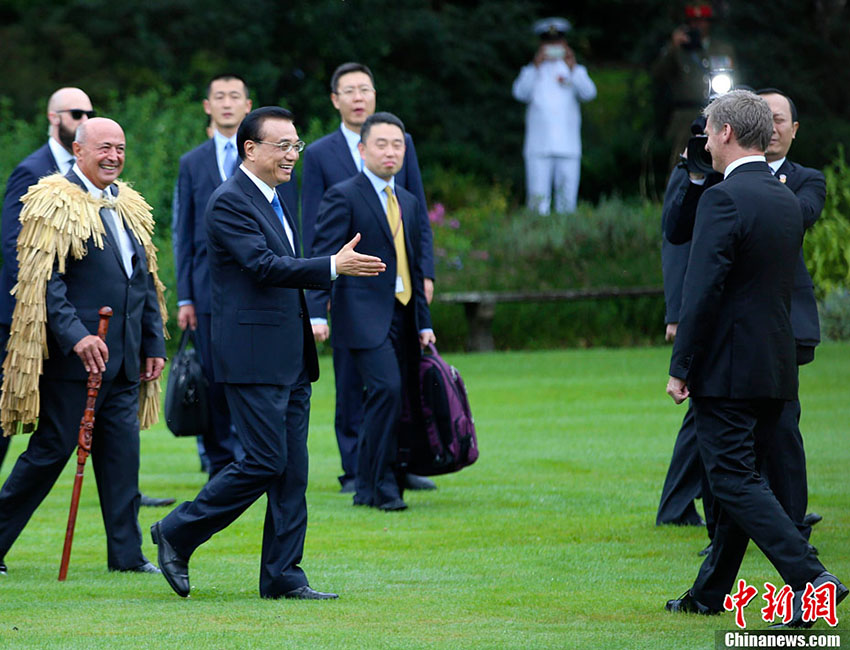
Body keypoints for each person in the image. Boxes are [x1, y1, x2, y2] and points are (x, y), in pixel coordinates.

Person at [151, 106, 385, 599]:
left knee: (292, 471)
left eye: (296, 145)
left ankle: (282, 577)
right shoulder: (228, 201)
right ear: (250, 149)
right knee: (263, 461)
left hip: (291, 357)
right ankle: (178, 530)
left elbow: (284, 267)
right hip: (252, 357)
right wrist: (333, 266)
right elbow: (263, 266)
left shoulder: (278, 196)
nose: (292, 154)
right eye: (282, 145)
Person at [664, 90, 847, 625]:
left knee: (733, 481)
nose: (704, 142)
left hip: (730, 367)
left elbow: (704, 291)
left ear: (724, 134)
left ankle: (813, 579)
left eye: (708, 132)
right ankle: (709, 593)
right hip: (775, 362)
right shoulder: (782, 197)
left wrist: (681, 366)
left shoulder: (725, 199)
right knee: (746, 481)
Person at [0, 118, 168, 576]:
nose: (114, 156)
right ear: (79, 150)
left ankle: (127, 556)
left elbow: (145, 283)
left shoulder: (128, 204)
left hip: (124, 360)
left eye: (121, 148)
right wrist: (77, 337)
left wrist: (152, 343)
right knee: (50, 451)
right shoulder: (52, 200)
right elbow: (43, 285)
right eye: (104, 148)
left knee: (121, 458)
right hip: (75, 362)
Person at [300, 62, 436, 493]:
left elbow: (414, 227)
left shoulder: (403, 168)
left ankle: (390, 469)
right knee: (365, 389)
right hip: (355, 299)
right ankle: (359, 474)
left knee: (398, 391)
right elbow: (317, 234)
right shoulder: (325, 159)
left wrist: (424, 296)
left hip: (402, 300)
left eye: (367, 89)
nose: (360, 97)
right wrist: (314, 305)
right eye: (350, 90)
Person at [0, 87, 94, 473]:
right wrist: (43, 307)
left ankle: (126, 496)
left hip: (71, 314)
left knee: (92, 407)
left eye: (90, 112)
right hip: (24, 317)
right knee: (6, 413)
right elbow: (13, 243)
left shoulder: (89, 172)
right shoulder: (31, 169)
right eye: (76, 113)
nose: (84, 120)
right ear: (54, 117)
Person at [512, 17, 596, 215]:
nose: (553, 48)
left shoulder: (575, 71)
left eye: (557, 43)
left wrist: (572, 67)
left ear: (564, 44)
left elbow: (589, 93)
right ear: (542, 45)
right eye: (549, 44)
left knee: (567, 204)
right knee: (537, 203)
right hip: (538, 147)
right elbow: (519, 93)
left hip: (568, 147)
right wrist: (536, 65)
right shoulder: (531, 71)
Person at [651, 4, 735, 169]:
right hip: (685, 117)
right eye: (694, 21)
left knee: (720, 162)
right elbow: (657, 74)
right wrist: (672, 47)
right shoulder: (679, 50)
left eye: (702, 21)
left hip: (718, 112)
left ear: (709, 23)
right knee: (681, 164)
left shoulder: (722, 49)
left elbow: (733, 77)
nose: (698, 25)